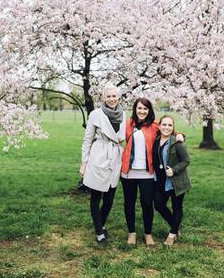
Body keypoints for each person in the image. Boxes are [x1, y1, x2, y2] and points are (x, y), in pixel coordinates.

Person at [121, 98, 184, 245]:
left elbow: (170, 131)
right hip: (128, 171)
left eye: (145, 109)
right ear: (135, 109)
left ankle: (148, 234)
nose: (142, 111)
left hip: (147, 172)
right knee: (129, 203)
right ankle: (132, 233)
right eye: (139, 108)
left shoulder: (154, 126)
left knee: (147, 203)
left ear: (149, 111)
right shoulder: (128, 124)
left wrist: (180, 135)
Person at [80, 84, 125, 244]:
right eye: (108, 96)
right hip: (99, 155)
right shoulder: (96, 114)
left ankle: (102, 222)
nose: (112, 99)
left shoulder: (123, 115)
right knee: (96, 196)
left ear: (118, 97)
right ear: (104, 98)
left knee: (110, 197)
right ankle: (99, 231)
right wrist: (84, 162)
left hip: (115, 157)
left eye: (114, 96)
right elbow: (87, 139)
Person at [152, 115, 191, 245]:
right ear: (159, 125)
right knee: (158, 204)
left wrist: (174, 170)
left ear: (173, 127)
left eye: (170, 125)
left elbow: (186, 160)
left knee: (177, 206)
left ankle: (172, 233)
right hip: (160, 181)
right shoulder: (156, 140)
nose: (166, 127)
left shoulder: (177, 143)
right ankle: (175, 225)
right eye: (164, 124)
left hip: (176, 181)